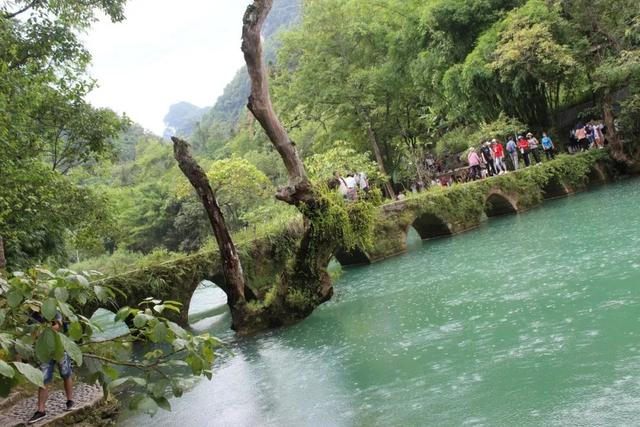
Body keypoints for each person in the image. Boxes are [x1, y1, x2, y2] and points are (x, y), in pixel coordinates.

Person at [28, 311, 74, 424]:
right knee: (44, 379)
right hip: (45, 352)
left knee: (66, 374)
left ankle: (70, 401)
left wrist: (43, 331)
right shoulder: (33, 315)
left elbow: (58, 326)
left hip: (60, 348)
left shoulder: (53, 310)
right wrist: (46, 330)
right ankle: (41, 410)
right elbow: (33, 334)